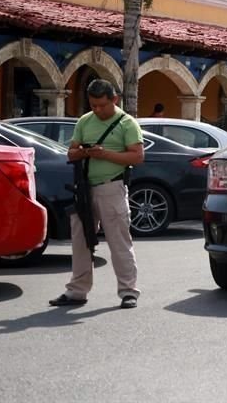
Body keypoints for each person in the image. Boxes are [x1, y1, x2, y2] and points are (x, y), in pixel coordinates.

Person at [49, 79, 145, 309]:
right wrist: (82, 152)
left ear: (114, 99)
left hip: (111, 187)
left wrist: (106, 155)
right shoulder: (84, 121)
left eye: (103, 105)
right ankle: (77, 291)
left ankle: (128, 291)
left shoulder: (127, 123)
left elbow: (137, 157)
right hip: (84, 188)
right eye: (93, 105)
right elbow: (71, 153)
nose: (98, 110)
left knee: (119, 241)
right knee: (80, 241)